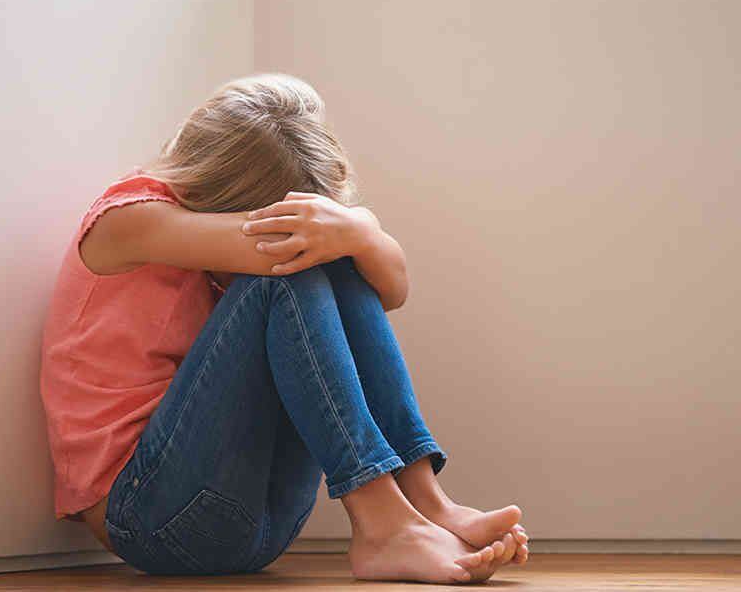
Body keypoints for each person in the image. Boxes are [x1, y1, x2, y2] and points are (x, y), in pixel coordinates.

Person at [39, 74, 528, 583]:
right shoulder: (129, 220)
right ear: (215, 200)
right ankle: (385, 524)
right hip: (149, 515)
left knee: (339, 262)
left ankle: (424, 503)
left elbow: (393, 289)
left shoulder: (213, 230)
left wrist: (359, 232)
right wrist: (357, 225)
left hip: (260, 516)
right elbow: (298, 260)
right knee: (290, 270)